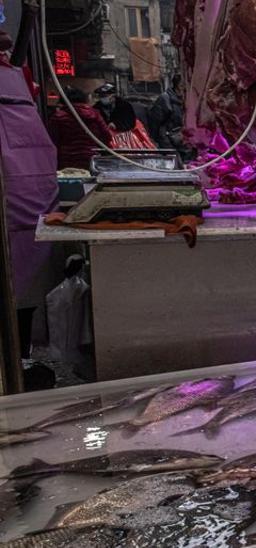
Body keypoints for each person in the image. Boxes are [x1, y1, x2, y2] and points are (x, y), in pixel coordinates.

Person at [1, 44, 58, 377]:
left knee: (27, 283)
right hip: (18, 201)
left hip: (32, 200)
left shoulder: (16, 73)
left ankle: (19, 358)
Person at [47, 87, 112, 170]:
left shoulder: (58, 117)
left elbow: (52, 141)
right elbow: (107, 136)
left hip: (66, 162)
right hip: (91, 160)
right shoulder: (95, 114)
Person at [93, 84, 155, 149]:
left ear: (112, 95)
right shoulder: (96, 108)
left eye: (105, 96)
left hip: (125, 140)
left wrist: (116, 124)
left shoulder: (124, 106)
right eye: (101, 96)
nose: (103, 98)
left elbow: (130, 122)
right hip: (105, 141)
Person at [148, 76, 191, 158]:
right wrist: (154, 140)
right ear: (178, 86)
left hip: (184, 141)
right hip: (168, 141)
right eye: (183, 86)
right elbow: (155, 122)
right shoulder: (165, 99)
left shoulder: (188, 98)